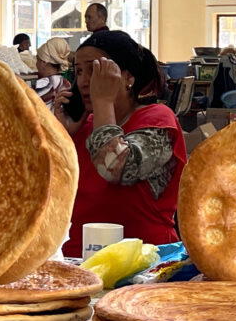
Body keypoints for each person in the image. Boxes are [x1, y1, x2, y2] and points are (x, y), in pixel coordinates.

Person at [52, 30, 186, 257]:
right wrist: (61, 135)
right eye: (79, 72)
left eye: (95, 70)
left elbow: (114, 167)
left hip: (144, 263)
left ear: (128, 78)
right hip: (83, 258)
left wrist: (103, 100)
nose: (84, 81)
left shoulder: (158, 119)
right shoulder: (84, 125)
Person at [35, 37, 72, 112]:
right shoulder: (64, 81)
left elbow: (35, 110)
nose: (36, 64)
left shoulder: (45, 82)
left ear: (44, 62)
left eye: (37, 60)